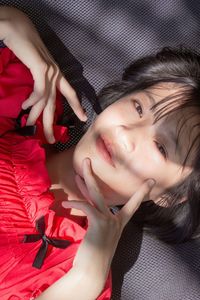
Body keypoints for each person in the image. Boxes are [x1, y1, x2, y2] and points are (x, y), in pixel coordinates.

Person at [0, 6, 200, 300]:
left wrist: (83, 282)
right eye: (138, 108)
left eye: (161, 146)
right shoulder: (24, 104)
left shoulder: (79, 276)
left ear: (170, 196)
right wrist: (11, 24)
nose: (126, 133)